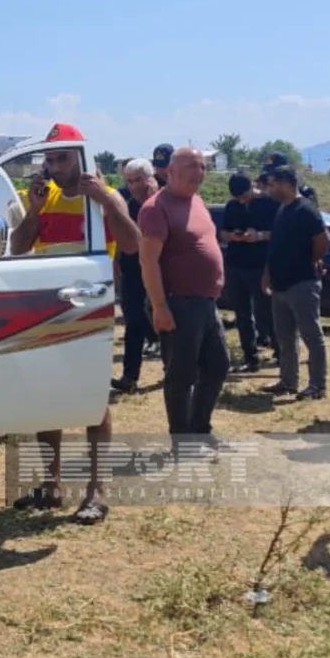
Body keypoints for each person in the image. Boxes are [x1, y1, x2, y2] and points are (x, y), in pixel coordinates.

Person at [10, 123, 141, 524]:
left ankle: (96, 491)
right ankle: (50, 485)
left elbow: (133, 244)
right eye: (49, 158)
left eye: (62, 157)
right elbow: (19, 247)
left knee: (93, 399)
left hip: (89, 305)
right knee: (46, 396)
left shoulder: (103, 197)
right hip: (48, 304)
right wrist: (33, 210)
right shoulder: (42, 196)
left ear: (80, 158)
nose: (53, 166)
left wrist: (110, 202)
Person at [137, 148, 229, 461]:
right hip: (178, 303)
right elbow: (147, 260)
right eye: (191, 165)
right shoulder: (156, 208)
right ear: (169, 171)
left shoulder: (197, 202)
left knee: (218, 366)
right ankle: (183, 443)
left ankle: (200, 430)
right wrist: (160, 306)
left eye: (202, 166)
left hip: (205, 302)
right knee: (182, 374)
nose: (198, 171)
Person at [262, 165, 329, 400]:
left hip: (301, 284)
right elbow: (276, 247)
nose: (269, 189)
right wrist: (267, 274)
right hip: (279, 285)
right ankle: (288, 381)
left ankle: (317, 386)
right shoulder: (282, 210)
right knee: (285, 339)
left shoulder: (306, 210)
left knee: (312, 336)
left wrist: (309, 261)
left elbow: (322, 241)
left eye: (272, 184)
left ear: (288, 184)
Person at [221, 171, 279, 372]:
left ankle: (281, 354)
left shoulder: (269, 204)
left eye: (245, 196)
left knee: (268, 312)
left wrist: (260, 236)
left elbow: (280, 234)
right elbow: (223, 232)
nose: (241, 200)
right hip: (236, 265)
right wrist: (233, 236)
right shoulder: (232, 206)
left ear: (252, 187)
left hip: (260, 266)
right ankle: (250, 358)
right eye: (238, 197)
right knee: (242, 314)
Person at [112, 158, 159, 393]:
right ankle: (130, 376)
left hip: (160, 270)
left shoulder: (162, 203)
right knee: (134, 323)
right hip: (133, 269)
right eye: (129, 181)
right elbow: (120, 235)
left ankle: (175, 371)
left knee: (166, 321)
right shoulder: (127, 204)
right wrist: (115, 260)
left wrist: (153, 200)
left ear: (149, 179)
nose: (133, 186)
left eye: (138, 180)